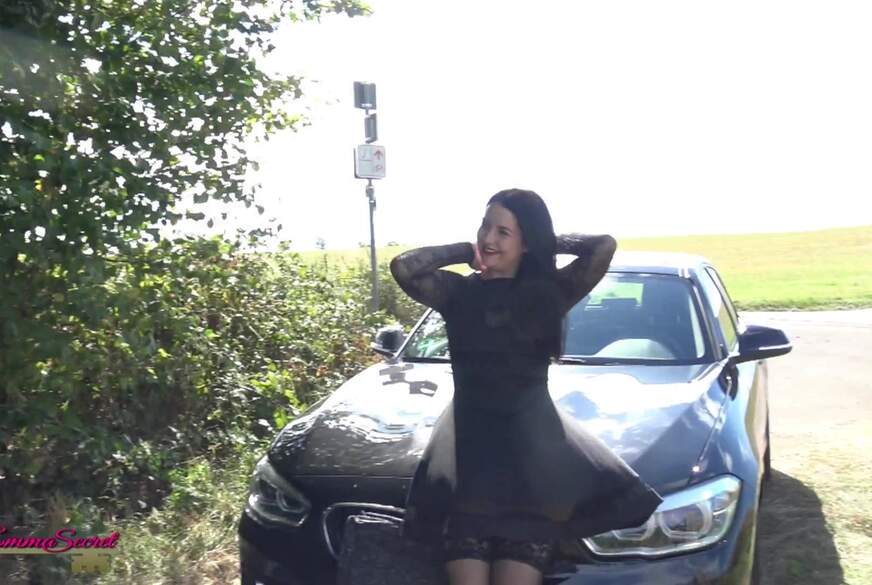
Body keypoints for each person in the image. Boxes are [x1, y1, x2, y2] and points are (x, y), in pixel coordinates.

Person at [389, 189, 662, 585]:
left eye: (503, 232)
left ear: (527, 242)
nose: (489, 238)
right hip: (470, 468)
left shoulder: (549, 293)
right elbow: (404, 267)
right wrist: (465, 250)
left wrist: (545, 242)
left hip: (532, 473)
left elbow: (603, 246)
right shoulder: (458, 293)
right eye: (485, 227)